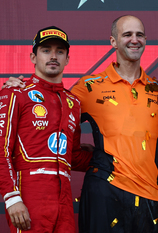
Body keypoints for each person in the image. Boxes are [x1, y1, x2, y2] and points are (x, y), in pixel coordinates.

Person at [70, 15, 158, 233]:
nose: (134, 40)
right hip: (105, 192)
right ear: (113, 41)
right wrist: (24, 85)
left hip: (150, 196)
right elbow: (52, 115)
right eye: (127, 35)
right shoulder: (89, 87)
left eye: (139, 35)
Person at [0, 26, 92, 232]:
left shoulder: (73, 102)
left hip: (64, 199)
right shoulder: (16, 92)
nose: (53, 56)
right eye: (46, 50)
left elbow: (73, 156)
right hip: (30, 195)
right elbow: (1, 150)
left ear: (67, 59)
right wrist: (12, 198)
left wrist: (109, 158)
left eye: (60, 51)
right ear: (33, 57)